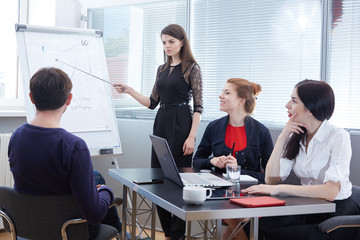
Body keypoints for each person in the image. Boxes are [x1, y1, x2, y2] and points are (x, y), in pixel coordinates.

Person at [8, 67, 122, 239]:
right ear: (69, 99)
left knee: (94, 175)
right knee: (99, 182)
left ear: (31, 98)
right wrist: (106, 191)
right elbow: (94, 215)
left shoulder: (16, 137)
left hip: (29, 227)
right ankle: (124, 234)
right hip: (69, 231)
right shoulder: (74, 146)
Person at [114, 24, 203, 240]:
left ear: (182, 41)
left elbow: (199, 107)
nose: (167, 46)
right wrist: (130, 90)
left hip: (182, 124)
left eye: (171, 41)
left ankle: (177, 235)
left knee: (178, 181)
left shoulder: (192, 68)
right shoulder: (162, 69)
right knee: (158, 180)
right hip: (161, 122)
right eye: (164, 42)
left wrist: (191, 137)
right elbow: (152, 102)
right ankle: (169, 233)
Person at [241, 79, 360, 240]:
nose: (287, 105)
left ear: (310, 108)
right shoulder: (297, 135)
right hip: (308, 207)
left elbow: (330, 192)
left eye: (294, 100)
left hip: (334, 211)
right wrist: (283, 136)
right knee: (257, 223)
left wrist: (280, 189)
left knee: (284, 232)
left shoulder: (338, 136)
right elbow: (271, 179)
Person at [193, 78, 273, 240]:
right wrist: (212, 161)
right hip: (218, 193)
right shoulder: (213, 127)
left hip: (250, 193)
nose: (220, 96)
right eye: (222, 91)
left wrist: (238, 170)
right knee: (230, 213)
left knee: (233, 216)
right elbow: (196, 161)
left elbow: (270, 177)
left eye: (227, 93)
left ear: (241, 100)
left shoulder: (261, 132)